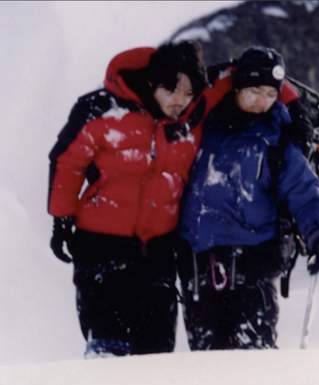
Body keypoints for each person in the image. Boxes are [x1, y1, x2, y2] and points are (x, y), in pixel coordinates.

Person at [47, 41, 210, 357]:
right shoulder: (101, 109)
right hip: (102, 247)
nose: (180, 101)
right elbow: (67, 161)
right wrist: (61, 219)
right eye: (172, 91)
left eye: (189, 93)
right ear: (153, 83)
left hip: (159, 251)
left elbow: (247, 79)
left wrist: (292, 102)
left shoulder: (192, 117)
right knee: (108, 350)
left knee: (156, 355)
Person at [177, 46, 319, 350]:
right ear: (236, 87)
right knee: (203, 365)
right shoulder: (199, 128)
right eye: (253, 91)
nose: (261, 102)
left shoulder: (278, 141)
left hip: (254, 267)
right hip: (198, 266)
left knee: (254, 360)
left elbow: (306, 193)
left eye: (270, 94)